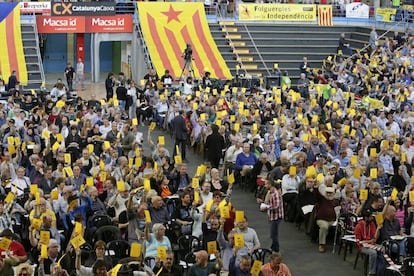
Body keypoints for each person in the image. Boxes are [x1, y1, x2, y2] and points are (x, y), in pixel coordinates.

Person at [354, 209, 379, 276]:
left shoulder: (372, 224)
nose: (372, 218)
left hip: (372, 244)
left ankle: (380, 271)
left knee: (384, 249)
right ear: (366, 218)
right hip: (362, 247)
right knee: (373, 253)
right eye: (370, 217)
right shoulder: (358, 227)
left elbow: (374, 238)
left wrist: (378, 228)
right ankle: (372, 272)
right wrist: (369, 241)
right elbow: (359, 242)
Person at [261, 180, 284, 254]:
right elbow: (270, 203)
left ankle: (276, 250)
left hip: (276, 216)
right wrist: (262, 202)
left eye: (266, 184)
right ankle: (273, 248)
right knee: (273, 234)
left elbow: (276, 206)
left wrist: (266, 207)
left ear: (270, 185)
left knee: (274, 235)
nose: (265, 186)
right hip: (272, 216)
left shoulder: (275, 194)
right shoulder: (270, 193)